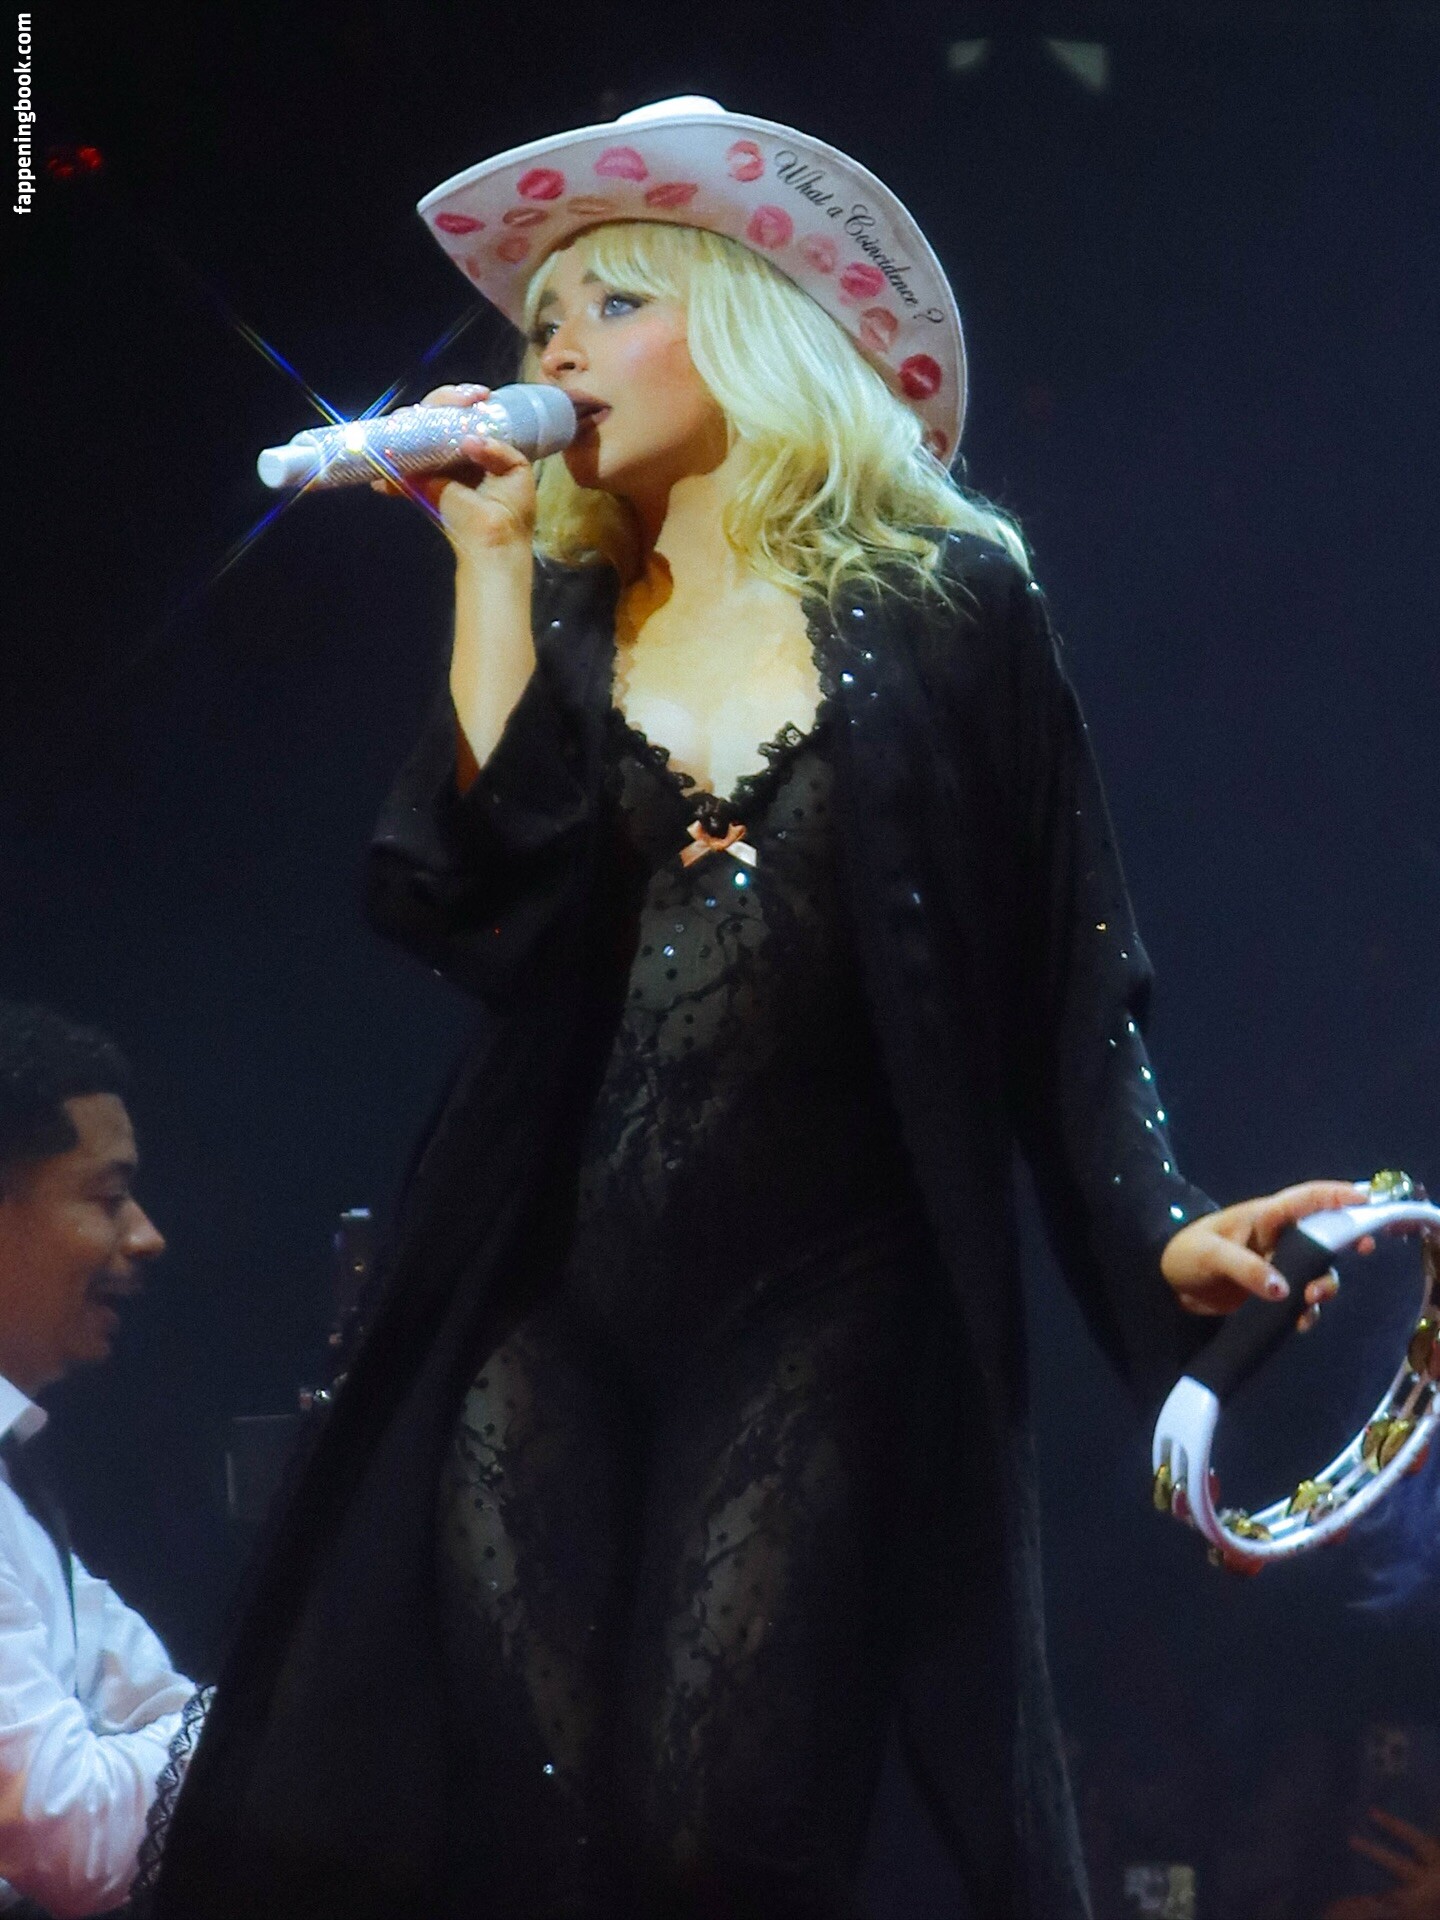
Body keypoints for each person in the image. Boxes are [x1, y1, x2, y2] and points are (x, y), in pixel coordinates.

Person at [154, 98, 1351, 1920]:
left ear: (745, 321)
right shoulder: (565, 607)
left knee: (719, 1830)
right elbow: (475, 914)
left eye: (612, 301)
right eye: (538, 320)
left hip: (826, 1301)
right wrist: (488, 572)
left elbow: (1064, 970)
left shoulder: (953, 601)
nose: (556, 349)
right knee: (547, 1836)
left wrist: (1154, 1226)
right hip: (542, 1297)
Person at [0, 1001, 201, 1918]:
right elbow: (72, 1835)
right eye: (108, 1197)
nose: (146, 1236)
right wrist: (281, 1716)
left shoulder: (17, 1469)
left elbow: (157, 1704)